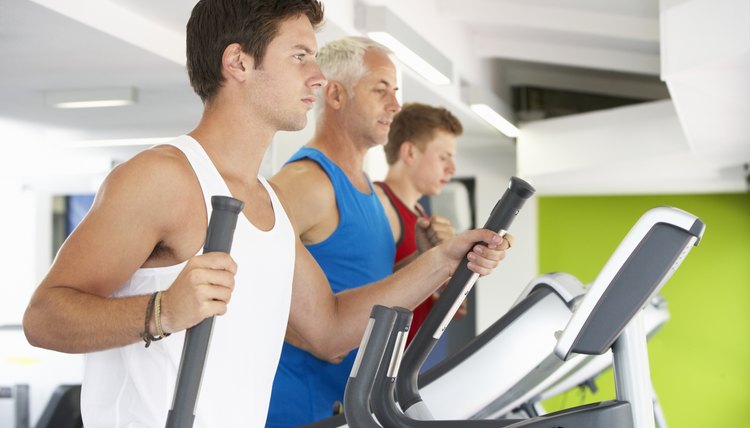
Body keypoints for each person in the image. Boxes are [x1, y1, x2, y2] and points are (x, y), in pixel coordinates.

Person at [22, 3, 510, 427]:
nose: (317, 76)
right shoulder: (162, 177)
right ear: (238, 62)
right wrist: (164, 311)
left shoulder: (268, 204)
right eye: (299, 56)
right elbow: (45, 317)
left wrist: (445, 258)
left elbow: (332, 330)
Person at [266, 38, 493, 427]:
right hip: (297, 410)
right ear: (336, 95)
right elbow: (242, 281)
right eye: (380, 89)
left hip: (354, 407)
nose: (395, 105)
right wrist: (318, 336)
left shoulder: (371, 193)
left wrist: (422, 259)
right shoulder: (306, 182)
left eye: (396, 92)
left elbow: (370, 284)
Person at [374, 102, 466, 346]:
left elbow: (449, 307)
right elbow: (361, 291)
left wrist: (453, 280)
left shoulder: (421, 213)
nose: (452, 168)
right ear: (410, 153)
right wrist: (428, 257)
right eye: (443, 157)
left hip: (404, 364)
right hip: (370, 366)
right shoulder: (378, 203)